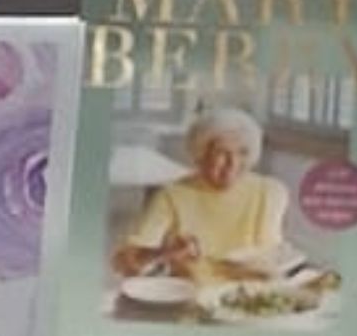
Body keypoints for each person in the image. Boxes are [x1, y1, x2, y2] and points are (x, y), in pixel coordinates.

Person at [111, 102, 314, 297]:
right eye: (222, 153)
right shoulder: (172, 195)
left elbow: (274, 256)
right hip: (194, 301)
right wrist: (166, 252)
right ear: (200, 154)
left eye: (243, 153)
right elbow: (124, 264)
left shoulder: (271, 192)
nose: (233, 163)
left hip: (257, 300)